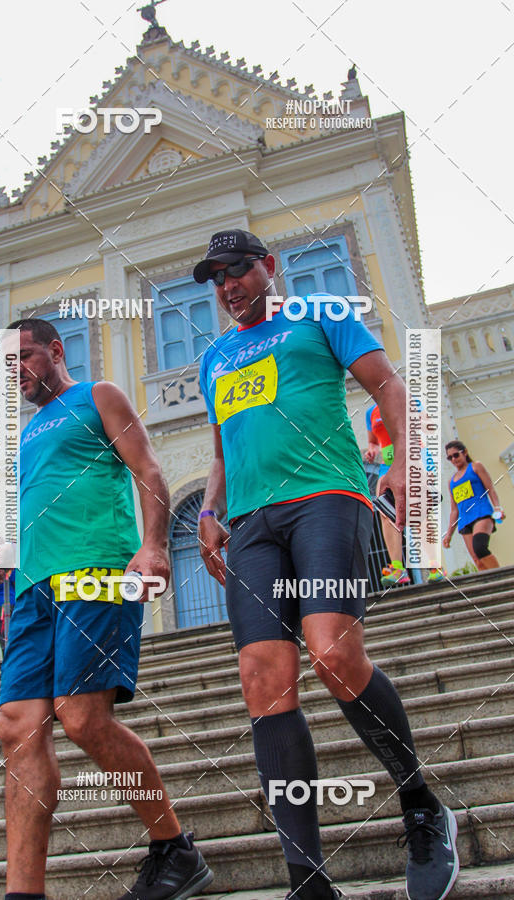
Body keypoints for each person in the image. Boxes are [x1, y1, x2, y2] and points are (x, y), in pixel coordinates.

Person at [195, 229, 459, 900]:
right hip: (251, 524)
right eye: (216, 277)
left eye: (237, 269)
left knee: (333, 654)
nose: (227, 285)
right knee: (263, 680)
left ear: (268, 266)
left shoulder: (322, 314)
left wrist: (405, 462)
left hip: (326, 499)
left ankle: (421, 806)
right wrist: (210, 509)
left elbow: (388, 383)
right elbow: (223, 449)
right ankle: (307, 880)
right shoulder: (214, 358)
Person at [0, 319, 212, 900]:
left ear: (56, 350)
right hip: (32, 591)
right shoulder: (24, 436)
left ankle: (174, 848)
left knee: (83, 718)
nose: (16, 373)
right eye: (6, 366)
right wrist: (0, 558)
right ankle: (23, 893)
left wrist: (155, 545)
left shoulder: (98, 396)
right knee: (17, 727)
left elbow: (149, 469)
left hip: (98, 573)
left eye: (24, 357)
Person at [365, 404, 444, 587]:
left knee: (419, 513)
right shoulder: (371, 412)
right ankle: (398, 568)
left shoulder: (406, 397)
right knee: (385, 511)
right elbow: (373, 442)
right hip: (388, 464)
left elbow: (430, 426)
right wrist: (372, 450)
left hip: (414, 457)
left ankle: (434, 565)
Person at [442, 440, 504, 570]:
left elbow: (490, 489)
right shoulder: (451, 482)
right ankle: (490, 582)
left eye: (456, 455)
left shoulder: (476, 467)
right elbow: (454, 510)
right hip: (464, 521)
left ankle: (505, 577)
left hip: (481, 514)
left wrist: (497, 507)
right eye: (450, 457)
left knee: (480, 547)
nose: (453, 459)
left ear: (464, 452)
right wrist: (449, 534)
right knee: (478, 561)